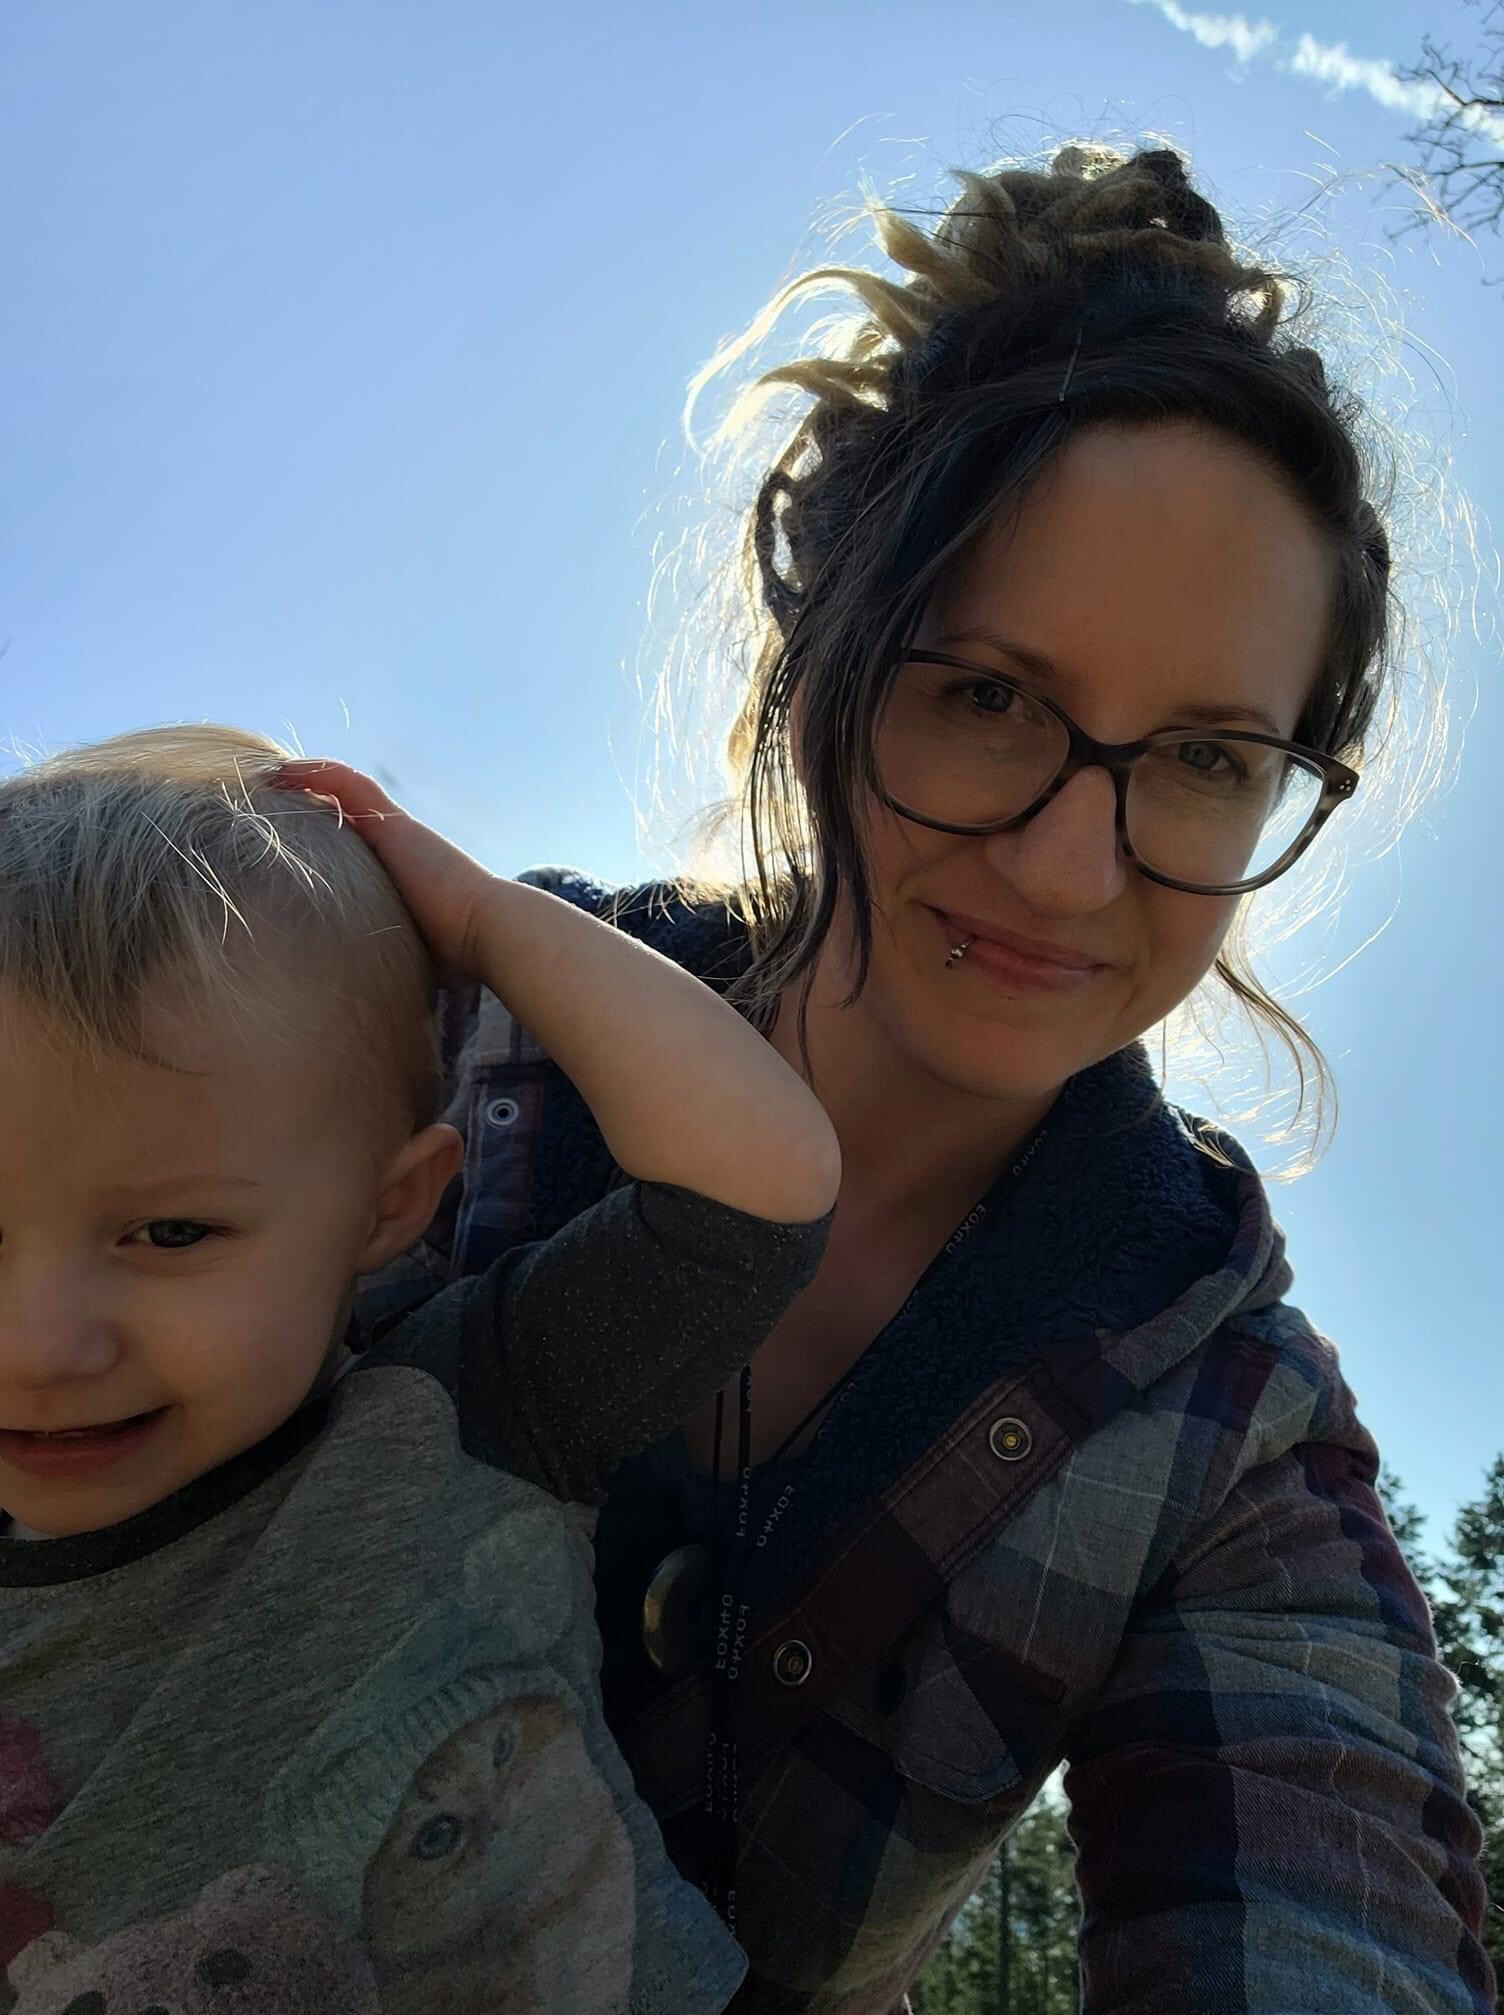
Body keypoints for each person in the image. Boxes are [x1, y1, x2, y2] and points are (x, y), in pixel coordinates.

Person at [363, 144, 1496, 2011]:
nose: (1072, 866)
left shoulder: (1222, 1431)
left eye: (1208, 757)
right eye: (986, 696)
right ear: (819, 665)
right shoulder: (426, 1036)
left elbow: (1328, 1901)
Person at [0, 726, 839, 2014]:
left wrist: (487, 922)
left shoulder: (468, 1406)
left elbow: (759, 1191)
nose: (39, 1347)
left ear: (389, 1207)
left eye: (173, 1234)